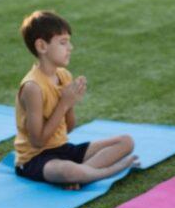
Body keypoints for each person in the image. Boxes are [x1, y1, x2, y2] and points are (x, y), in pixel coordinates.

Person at [14, 10, 137, 189]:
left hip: (63, 149)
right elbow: (37, 141)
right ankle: (105, 172)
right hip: (35, 159)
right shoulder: (32, 87)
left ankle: (80, 175)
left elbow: (69, 128)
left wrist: (70, 103)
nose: (70, 47)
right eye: (63, 42)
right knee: (67, 170)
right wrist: (64, 103)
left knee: (126, 141)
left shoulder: (63, 75)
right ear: (42, 46)